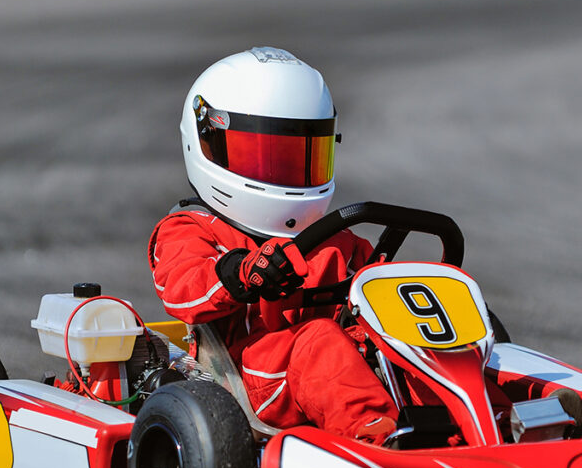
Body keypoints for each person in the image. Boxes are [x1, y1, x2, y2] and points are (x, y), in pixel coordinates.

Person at [148, 47, 397, 444]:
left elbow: (376, 284)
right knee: (319, 342)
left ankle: (502, 419)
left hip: (337, 366)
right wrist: (240, 273)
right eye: (267, 159)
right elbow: (183, 288)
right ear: (209, 141)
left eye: (302, 157)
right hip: (249, 379)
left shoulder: (335, 240)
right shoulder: (191, 228)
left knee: (418, 343)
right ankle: (380, 442)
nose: (285, 175)